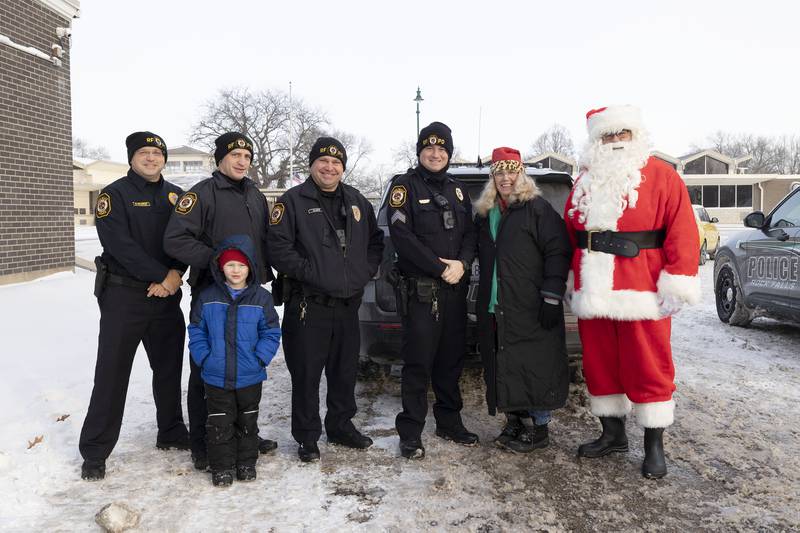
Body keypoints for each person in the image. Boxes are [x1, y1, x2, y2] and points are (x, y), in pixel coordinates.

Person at [564, 105, 700, 478]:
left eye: (622, 133)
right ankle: (613, 435)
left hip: (643, 290)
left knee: (649, 365)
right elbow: (571, 233)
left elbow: (683, 231)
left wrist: (678, 279)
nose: (615, 141)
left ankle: (654, 446)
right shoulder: (585, 181)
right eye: (607, 135)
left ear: (635, 136)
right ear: (596, 141)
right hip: (594, 288)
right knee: (600, 364)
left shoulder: (662, 175)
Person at [267, 136, 384, 462]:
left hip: (347, 306)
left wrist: (364, 271)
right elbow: (278, 248)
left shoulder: (358, 200)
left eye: (336, 163)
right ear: (312, 165)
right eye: (323, 161)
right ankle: (307, 437)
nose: (329, 167)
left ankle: (341, 425)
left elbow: (376, 242)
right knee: (306, 374)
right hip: (308, 305)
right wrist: (313, 272)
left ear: (342, 168)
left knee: (344, 371)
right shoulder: (291, 202)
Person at [79, 132, 188, 481]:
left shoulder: (178, 197)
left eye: (157, 153)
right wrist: (165, 276)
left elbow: (187, 240)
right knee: (111, 374)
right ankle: (95, 451)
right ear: (131, 157)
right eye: (144, 153)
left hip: (166, 298)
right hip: (124, 298)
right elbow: (120, 246)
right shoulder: (114, 195)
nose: (152, 158)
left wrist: (175, 275)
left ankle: (171, 431)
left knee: (169, 369)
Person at [163, 132, 275, 471]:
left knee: (245, 375)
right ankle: (204, 442)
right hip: (213, 295)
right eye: (235, 154)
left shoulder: (255, 195)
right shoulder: (202, 194)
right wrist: (217, 261)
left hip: (249, 297)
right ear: (220, 158)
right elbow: (175, 239)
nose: (242, 161)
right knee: (208, 372)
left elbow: (264, 242)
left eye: (247, 155)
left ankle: (244, 437)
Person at [387, 122, 478, 460]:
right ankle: (410, 432)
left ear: (449, 154)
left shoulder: (458, 190)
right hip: (422, 292)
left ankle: (449, 422)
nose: (436, 154)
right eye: (429, 148)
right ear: (420, 152)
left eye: (442, 149)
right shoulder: (404, 187)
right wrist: (440, 267)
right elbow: (402, 237)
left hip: (454, 291)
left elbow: (470, 232)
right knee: (417, 364)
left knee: (450, 361)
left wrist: (462, 265)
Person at [474, 147, 572, 453]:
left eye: (510, 172)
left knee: (535, 364)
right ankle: (514, 421)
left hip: (529, 302)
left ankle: (539, 428)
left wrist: (552, 296)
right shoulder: (487, 212)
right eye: (499, 173)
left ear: (521, 174)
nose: (505, 178)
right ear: (493, 177)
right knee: (504, 363)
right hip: (496, 304)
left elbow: (558, 252)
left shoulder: (538, 209)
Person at [188, 235, 281, 487]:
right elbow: (196, 329)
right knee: (219, 422)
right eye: (230, 265)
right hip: (215, 374)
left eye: (241, 265)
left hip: (250, 374)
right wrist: (204, 357)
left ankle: (246, 463)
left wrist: (260, 357)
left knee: (247, 421)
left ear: (250, 266)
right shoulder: (207, 297)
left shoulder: (261, 298)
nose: (236, 270)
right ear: (221, 267)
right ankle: (221, 466)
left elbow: (271, 331)